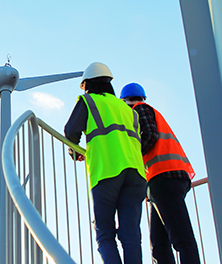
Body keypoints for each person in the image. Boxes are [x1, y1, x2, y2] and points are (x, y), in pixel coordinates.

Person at [64, 62, 147, 264]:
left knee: (105, 234)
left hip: (107, 171)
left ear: (88, 84)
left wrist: (74, 152)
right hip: (136, 174)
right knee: (131, 235)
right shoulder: (129, 109)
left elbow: (71, 132)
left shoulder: (89, 101)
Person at [120, 82, 199, 264]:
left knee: (181, 238)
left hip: (164, 177)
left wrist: (131, 158)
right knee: (159, 243)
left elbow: (149, 135)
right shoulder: (149, 110)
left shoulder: (140, 109)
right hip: (166, 179)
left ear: (125, 102)